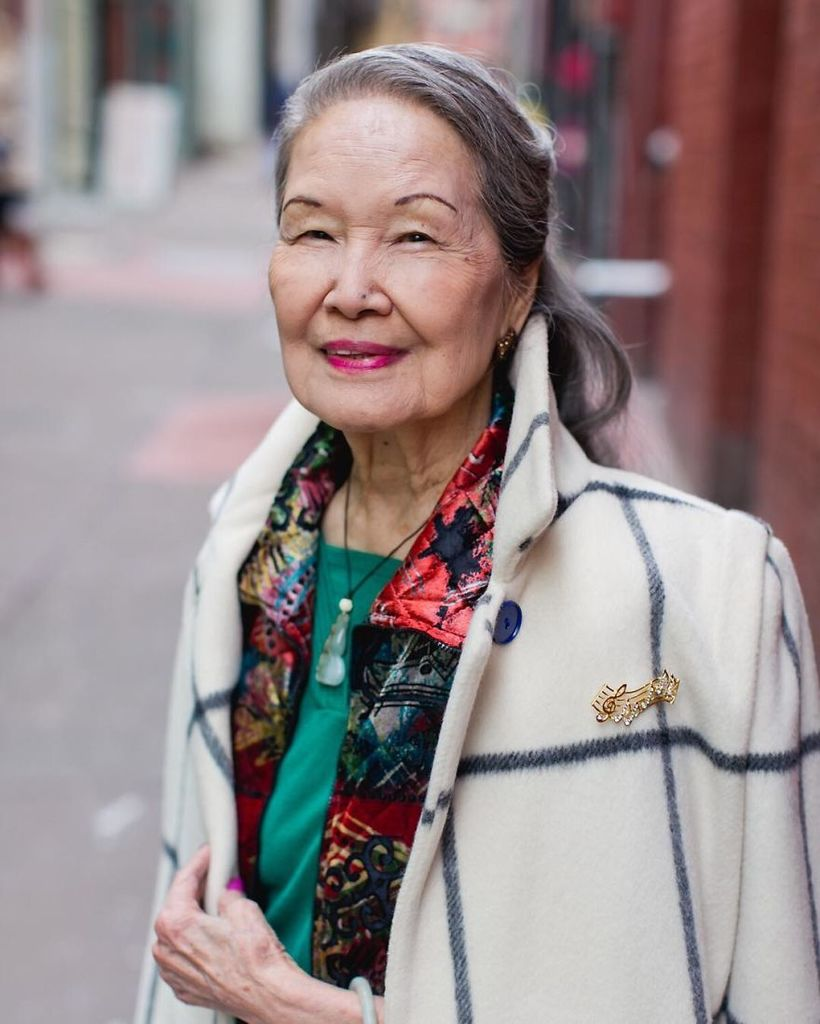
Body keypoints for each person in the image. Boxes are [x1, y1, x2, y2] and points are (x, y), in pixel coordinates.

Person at [137, 44, 819, 1024]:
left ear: (513, 287)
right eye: (312, 232)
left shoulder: (704, 596)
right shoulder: (245, 555)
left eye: (414, 237)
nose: (351, 286)